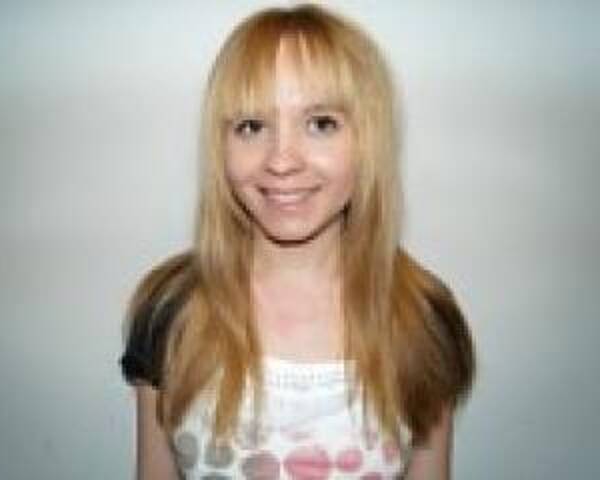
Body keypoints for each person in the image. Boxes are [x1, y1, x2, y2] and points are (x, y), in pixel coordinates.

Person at [120, 4, 475, 479]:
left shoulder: (421, 319)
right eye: (251, 126)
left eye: (321, 123)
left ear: (368, 141)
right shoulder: (173, 310)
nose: (281, 160)